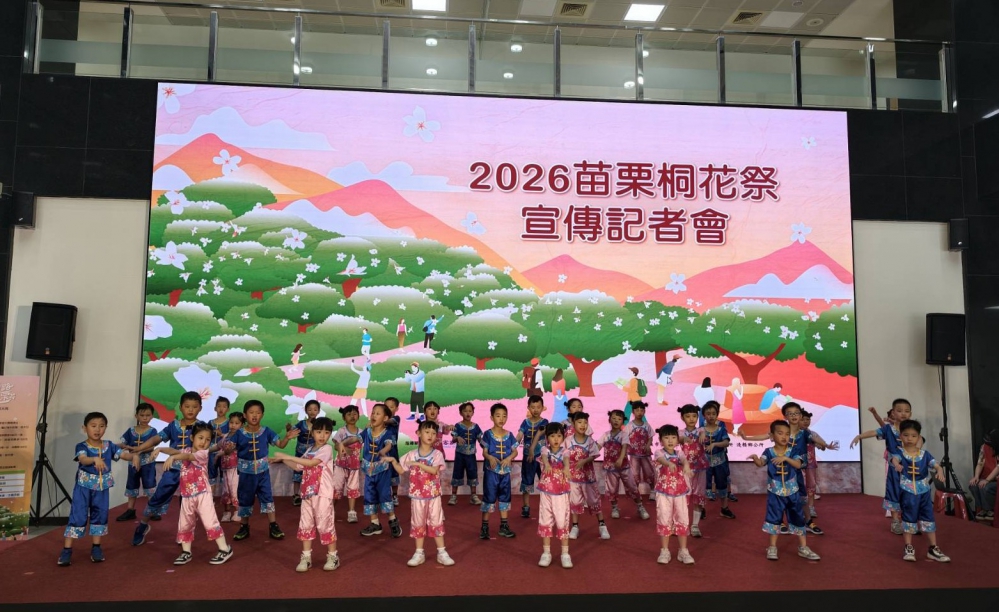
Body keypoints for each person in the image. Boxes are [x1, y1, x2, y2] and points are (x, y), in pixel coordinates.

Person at [127, 391, 204, 546]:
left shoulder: (202, 427)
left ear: (200, 408)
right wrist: (140, 448)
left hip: (192, 471)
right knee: (158, 496)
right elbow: (156, 439)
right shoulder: (173, 426)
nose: (190, 410)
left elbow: (208, 447)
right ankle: (142, 525)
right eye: (187, 406)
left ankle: (184, 532)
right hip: (173, 468)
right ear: (180, 407)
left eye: (194, 407)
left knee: (188, 503)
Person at [57, 412, 131, 566]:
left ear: (105, 428)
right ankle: (67, 550)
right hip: (83, 488)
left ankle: (96, 548)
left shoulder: (109, 445)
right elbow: (83, 459)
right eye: (93, 426)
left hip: (101, 489)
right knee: (78, 516)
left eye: (101, 426)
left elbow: (123, 455)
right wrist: (95, 459)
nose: (97, 429)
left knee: (100, 515)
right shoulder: (82, 446)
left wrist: (135, 456)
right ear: (84, 428)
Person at [271, 416, 340, 572]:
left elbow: (311, 463)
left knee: (325, 524)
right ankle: (306, 557)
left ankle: (333, 556)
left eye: (326, 432)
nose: (322, 436)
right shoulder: (310, 450)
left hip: (322, 494)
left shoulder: (327, 449)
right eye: (319, 432)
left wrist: (286, 456)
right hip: (307, 494)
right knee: (306, 524)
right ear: (312, 432)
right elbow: (298, 466)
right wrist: (280, 460)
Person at [747, 420, 820, 562]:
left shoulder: (794, 451)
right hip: (775, 492)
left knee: (798, 518)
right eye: (780, 433)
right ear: (772, 436)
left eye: (787, 434)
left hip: (793, 492)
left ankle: (803, 547)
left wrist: (785, 458)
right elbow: (761, 463)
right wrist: (755, 459)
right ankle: (772, 547)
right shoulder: (769, 452)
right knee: (774, 518)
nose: (784, 437)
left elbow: (798, 464)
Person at [388, 420, 455, 567]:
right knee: (418, 523)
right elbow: (401, 470)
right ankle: (419, 553)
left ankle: (442, 552)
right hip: (417, 497)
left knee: (436, 522)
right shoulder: (411, 454)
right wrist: (393, 461)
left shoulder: (437, 454)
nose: (430, 435)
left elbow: (434, 470)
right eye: (427, 432)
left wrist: (418, 464)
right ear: (418, 433)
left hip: (433, 496)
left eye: (434, 433)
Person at [167, 421, 233, 566]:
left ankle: (224, 549)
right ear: (192, 438)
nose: (203, 442)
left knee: (210, 522)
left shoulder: (203, 454)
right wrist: (160, 449)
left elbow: (187, 457)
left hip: (203, 494)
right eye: (200, 438)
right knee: (185, 524)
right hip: (186, 495)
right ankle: (186, 552)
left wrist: (173, 458)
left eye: (207, 439)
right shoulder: (186, 450)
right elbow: (175, 451)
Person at [231, 400, 298, 541]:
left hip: (263, 473)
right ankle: (244, 526)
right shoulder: (239, 433)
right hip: (245, 474)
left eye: (258, 413)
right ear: (245, 415)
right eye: (251, 412)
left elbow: (280, 445)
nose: (255, 415)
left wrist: (287, 437)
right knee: (245, 498)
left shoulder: (266, 431)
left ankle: (273, 525)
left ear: (262, 415)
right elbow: (228, 449)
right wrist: (226, 448)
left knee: (267, 497)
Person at [891, 419, 950, 562]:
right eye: (906, 435)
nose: (909, 438)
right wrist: (897, 465)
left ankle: (933, 548)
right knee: (908, 517)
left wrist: (940, 471)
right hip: (908, 491)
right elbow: (894, 459)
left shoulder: (925, 454)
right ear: (900, 436)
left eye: (913, 435)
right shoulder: (900, 453)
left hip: (924, 491)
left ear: (919, 437)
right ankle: (908, 547)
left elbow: (936, 465)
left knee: (928, 517)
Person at [342, 403, 403, 538]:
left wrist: (383, 451)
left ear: (385, 418)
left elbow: (389, 445)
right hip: (369, 471)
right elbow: (355, 438)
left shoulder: (388, 432)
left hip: (382, 471)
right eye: (373, 413)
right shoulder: (367, 432)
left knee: (384, 496)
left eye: (378, 413)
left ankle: (393, 520)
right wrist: (343, 443)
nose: (374, 415)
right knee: (370, 496)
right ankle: (375, 524)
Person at [654, 424, 694, 565]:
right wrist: (669, 464)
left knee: (682, 519)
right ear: (661, 440)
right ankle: (664, 550)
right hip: (664, 493)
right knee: (664, 519)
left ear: (677, 439)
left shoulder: (679, 453)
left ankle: (683, 551)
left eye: (673, 437)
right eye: (666, 438)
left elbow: (684, 460)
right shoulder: (659, 452)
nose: (670, 440)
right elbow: (661, 460)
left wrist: (687, 466)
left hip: (680, 493)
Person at [566, 412, 610, 540]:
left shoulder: (590, 440)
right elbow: (564, 455)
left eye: (585, 423)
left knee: (594, 501)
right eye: (579, 422)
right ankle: (575, 527)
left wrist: (584, 461)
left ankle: (602, 526)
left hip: (588, 477)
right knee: (575, 501)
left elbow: (594, 455)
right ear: (573, 424)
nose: (583, 425)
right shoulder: (568, 440)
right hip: (573, 478)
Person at [598, 409, 648, 520]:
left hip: (624, 467)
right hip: (610, 468)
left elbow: (625, 447)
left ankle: (640, 507)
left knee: (632, 487)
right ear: (609, 420)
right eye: (614, 418)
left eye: (619, 419)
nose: (616, 421)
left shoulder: (624, 435)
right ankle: (615, 508)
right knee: (612, 489)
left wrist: (620, 459)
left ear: (623, 421)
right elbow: (597, 447)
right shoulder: (605, 435)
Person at [479, 402, 518, 539]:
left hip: (505, 472)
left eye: (504, 416)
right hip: (491, 472)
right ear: (492, 417)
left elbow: (515, 451)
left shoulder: (510, 435)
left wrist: (509, 458)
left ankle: (504, 526)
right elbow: (484, 452)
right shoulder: (487, 434)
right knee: (489, 497)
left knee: (505, 497)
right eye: (498, 415)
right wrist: (490, 457)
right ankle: (484, 527)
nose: (501, 418)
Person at [537, 422, 572, 568]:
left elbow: (566, 460)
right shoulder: (544, 449)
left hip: (561, 492)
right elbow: (545, 457)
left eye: (559, 436)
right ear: (547, 438)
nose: (556, 439)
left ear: (563, 437)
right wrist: (547, 465)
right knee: (545, 519)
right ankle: (546, 553)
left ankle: (565, 554)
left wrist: (566, 468)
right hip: (546, 491)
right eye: (552, 436)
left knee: (562, 521)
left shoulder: (565, 452)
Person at [115, 403, 159, 522]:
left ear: (152, 416)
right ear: (136, 416)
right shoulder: (130, 431)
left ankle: (153, 510)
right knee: (132, 485)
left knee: (150, 485)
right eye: (142, 415)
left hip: (148, 463)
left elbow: (152, 447)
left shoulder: (153, 431)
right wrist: (116, 446)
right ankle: (130, 510)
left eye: (147, 415)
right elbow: (123, 443)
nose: (145, 418)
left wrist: (139, 451)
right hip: (133, 463)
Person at [678, 404, 708, 537]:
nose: (691, 419)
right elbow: (678, 439)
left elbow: (703, 433)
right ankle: (681, 523)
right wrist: (683, 439)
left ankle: (695, 525)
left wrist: (702, 434)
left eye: (694, 416)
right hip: (685, 469)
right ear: (682, 418)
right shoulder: (680, 432)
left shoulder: (701, 430)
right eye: (688, 416)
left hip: (700, 468)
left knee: (698, 494)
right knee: (684, 495)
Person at [702, 401, 735, 519]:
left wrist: (715, 444)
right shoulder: (701, 430)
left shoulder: (721, 429)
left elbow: (726, 442)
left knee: (722, 484)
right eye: (708, 414)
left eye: (713, 413)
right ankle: (701, 509)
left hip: (720, 461)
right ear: (704, 415)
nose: (711, 416)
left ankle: (724, 508)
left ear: (717, 415)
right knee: (703, 485)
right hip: (704, 463)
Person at [517, 394, 549, 518]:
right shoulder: (525, 422)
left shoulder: (545, 422)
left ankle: (547, 507)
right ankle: (526, 507)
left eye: (538, 407)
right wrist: (512, 447)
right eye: (533, 407)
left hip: (542, 458)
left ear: (543, 408)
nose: (535, 410)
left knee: (545, 482)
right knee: (526, 481)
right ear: (528, 408)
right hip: (528, 458)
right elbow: (519, 437)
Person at [332, 405, 362, 524]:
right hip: (340, 465)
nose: (352, 416)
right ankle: (330, 510)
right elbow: (336, 445)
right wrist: (343, 448)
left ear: (358, 416)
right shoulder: (341, 431)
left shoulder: (361, 433)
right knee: (336, 488)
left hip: (354, 467)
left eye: (354, 414)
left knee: (353, 489)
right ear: (344, 417)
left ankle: (351, 512)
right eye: (349, 414)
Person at [450, 402, 482, 506]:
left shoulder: (476, 427)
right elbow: (453, 439)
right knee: (457, 473)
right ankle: (453, 496)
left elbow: (480, 440)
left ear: (473, 412)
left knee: (472, 473)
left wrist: (488, 447)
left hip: (471, 455)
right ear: (460, 413)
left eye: (470, 411)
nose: (468, 413)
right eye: (465, 411)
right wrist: (457, 438)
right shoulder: (457, 426)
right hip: (460, 455)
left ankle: (473, 496)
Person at [290, 399, 321, 506]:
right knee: (297, 473)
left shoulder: (319, 424)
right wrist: (290, 429)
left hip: (312, 454)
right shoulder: (301, 423)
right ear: (306, 411)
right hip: (300, 454)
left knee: (311, 474)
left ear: (318, 411)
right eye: (310, 409)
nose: (312, 412)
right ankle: (296, 495)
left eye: (315, 409)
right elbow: (292, 431)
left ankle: (310, 495)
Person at [625, 401, 655, 501]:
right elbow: (625, 438)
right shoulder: (630, 426)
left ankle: (653, 491)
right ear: (633, 412)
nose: (639, 412)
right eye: (637, 410)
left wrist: (648, 445)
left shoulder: (647, 425)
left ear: (644, 411)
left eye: (641, 410)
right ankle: (636, 493)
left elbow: (650, 437)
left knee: (649, 472)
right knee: (635, 474)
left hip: (645, 454)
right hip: (634, 455)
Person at [218, 412, 244, 522]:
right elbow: (218, 446)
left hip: (235, 468)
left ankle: (238, 512)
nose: (233, 425)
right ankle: (227, 512)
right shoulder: (226, 436)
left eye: (237, 423)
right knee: (226, 491)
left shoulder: (241, 437)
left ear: (242, 425)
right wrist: (207, 451)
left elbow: (230, 449)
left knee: (234, 490)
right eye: (231, 422)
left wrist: (220, 454)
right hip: (225, 468)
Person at [970, 428, 998, 521]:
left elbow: (998, 468)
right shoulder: (984, 447)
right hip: (987, 477)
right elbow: (980, 463)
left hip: (996, 479)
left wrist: (987, 480)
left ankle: (990, 510)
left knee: (986, 487)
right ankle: (983, 509)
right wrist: (976, 476)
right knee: (973, 485)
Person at [207, 397, 231, 491]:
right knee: (211, 474)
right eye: (219, 406)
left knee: (224, 474)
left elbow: (231, 437)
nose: (221, 409)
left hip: (224, 453)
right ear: (215, 408)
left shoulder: (229, 423)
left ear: (228, 409)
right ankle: (211, 497)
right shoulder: (210, 423)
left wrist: (221, 434)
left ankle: (226, 497)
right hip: (211, 452)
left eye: (224, 407)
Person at [800, 410, 820, 519]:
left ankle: (811, 507)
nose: (806, 421)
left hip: (811, 464)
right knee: (799, 486)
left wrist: (823, 445)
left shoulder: (813, 434)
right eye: (803, 419)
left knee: (811, 486)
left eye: (808, 419)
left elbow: (821, 445)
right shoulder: (795, 434)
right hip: (797, 465)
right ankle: (800, 508)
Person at [384, 397, 403, 504]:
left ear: (396, 408)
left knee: (394, 474)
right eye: (386, 406)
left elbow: (389, 421)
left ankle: (395, 496)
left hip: (392, 452)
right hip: (381, 451)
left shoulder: (396, 418)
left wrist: (380, 420)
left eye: (391, 407)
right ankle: (384, 496)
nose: (388, 409)